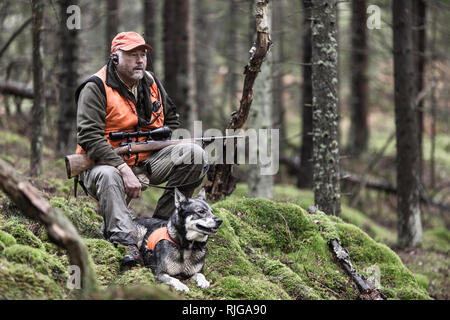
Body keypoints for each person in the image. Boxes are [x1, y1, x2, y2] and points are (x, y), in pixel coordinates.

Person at [75, 31, 208, 269]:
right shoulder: (95, 87)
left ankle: (163, 226)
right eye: (132, 55)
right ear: (115, 58)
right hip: (100, 164)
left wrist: (148, 161)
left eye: (142, 55)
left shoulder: (151, 82)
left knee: (194, 154)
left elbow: (171, 120)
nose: (140, 60)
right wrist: (125, 169)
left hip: (145, 162)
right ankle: (126, 243)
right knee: (109, 175)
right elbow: (89, 137)